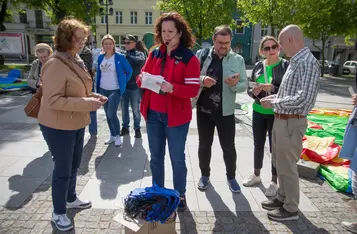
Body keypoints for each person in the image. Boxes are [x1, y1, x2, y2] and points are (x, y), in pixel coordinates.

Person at [38, 18, 107, 231]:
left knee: (75, 163)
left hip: (75, 121)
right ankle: (58, 212)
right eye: (78, 38)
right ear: (65, 38)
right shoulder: (55, 63)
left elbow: (76, 89)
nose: (82, 42)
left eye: (83, 37)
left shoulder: (74, 58)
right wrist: (87, 102)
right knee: (63, 169)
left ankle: (70, 198)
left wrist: (93, 96)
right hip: (58, 126)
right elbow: (52, 100)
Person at [136, 12, 200, 211]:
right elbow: (141, 76)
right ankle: (158, 192)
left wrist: (173, 88)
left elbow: (192, 90)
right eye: (163, 31)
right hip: (153, 114)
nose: (166, 35)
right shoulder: (155, 52)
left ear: (179, 32)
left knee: (177, 158)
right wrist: (143, 79)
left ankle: (180, 194)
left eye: (170, 31)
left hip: (176, 118)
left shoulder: (189, 58)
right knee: (155, 157)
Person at [260, 25, 320, 221]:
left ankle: (291, 208)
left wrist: (274, 101)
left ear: (291, 40)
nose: (280, 48)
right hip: (282, 120)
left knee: (287, 167)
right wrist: (274, 98)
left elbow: (305, 99)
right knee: (279, 163)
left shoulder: (307, 63)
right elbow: (290, 94)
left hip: (291, 123)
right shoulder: (295, 61)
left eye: (281, 43)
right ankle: (282, 198)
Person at [192, 25, 248, 193]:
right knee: (204, 145)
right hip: (204, 111)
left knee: (229, 147)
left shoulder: (238, 60)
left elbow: (245, 84)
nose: (223, 46)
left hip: (226, 112)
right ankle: (204, 175)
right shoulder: (201, 55)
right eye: (220, 42)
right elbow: (191, 77)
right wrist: (202, 80)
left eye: (227, 42)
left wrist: (235, 85)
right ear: (213, 40)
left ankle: (231, 177)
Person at [243, 36, 289, 197]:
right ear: (262, 51)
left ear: (278, 48)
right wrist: (253, 92)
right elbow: (250, 88)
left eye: (274, 47)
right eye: (267, 48)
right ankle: (256, 175)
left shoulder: (285, 66)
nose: (271, 51)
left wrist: (273, 87)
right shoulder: (257, 66)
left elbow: (289, 91)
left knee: (274, 147)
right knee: (258, 144)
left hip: (276, 113)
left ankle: (274, 182)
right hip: (258, 110)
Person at [96, 34, 133, 146]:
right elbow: (99, 73)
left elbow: (129, 71)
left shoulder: (119, 57)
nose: (108, 46)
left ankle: (117, 136)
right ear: (102, 45)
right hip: (103, 89)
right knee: (107, 114)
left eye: (110, 43)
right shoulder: (100, 57)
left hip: (114, 90)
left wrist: (123, 82)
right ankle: (112, 135)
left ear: (113, 45)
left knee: (112, 113)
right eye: (105, 44)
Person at [120, 35, 146, 138]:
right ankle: (125, 128)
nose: (126, 45)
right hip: (124, 87)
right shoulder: (122, 54)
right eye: (125, 43)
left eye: (128, 43)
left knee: (135, 109)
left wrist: (128, 56)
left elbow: (140, 61)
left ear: (134, 43)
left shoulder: (139, 53)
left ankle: (137, 128)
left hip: (134, 87)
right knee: (124, 109)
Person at [79, 43, 97, 137]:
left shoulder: (87, 53)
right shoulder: (69, 52)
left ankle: (93, 132)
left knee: (91, 108)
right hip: (75, 84)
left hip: (87, 83)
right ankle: (79, 131)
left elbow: (86, 68)